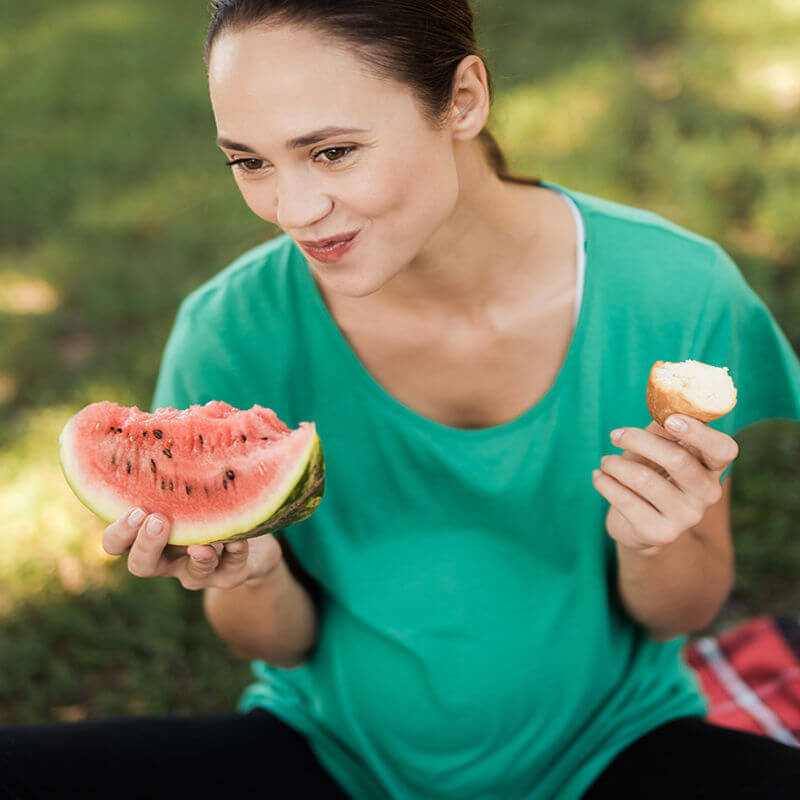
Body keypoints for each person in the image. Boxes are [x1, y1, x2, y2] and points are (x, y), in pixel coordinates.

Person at [4, 1, 800, 798]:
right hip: (329, 757)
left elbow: (680, 616)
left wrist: (655, 541)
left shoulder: (672, 292)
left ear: (462, 100)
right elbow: (279, 648)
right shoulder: (229, 329)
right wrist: (247, 572)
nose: (294, 210)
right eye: (249, 162)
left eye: (333, 151)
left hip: (613, 752)